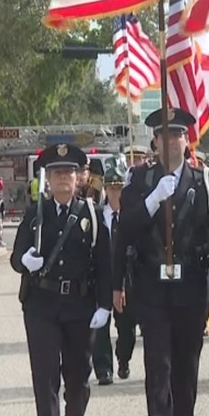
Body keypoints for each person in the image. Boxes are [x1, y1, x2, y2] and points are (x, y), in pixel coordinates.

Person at [120, 107, 209, 416]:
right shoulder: (139, 182)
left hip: (191, 284)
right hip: (152, 286)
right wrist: (153, 199)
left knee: (186, 363)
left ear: (187, 141)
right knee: (158, 364)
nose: (171, 141)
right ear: (153, 141)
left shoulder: (204, 182)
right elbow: (125, 229)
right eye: (163, 135)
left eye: (178, 135)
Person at [10, 143, 112, 416]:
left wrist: (105, 305)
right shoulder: (34, 213)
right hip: (41, 304)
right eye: (57, 174)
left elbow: (105, 263)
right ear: (48, 180)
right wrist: (25, 260)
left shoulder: (92, 215)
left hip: (80, 306)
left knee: (78, 379)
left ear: (79, 178)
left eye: (69, 172)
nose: (64, 179)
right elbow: (16, 257)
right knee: (45, 378)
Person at [93, 158, 137, 384]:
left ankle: (123, 359)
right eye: (112, 188)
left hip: (125, 279)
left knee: (126, 327)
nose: (116, 193)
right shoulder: (96, 215)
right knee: (100, 326)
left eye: (120, 188)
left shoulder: (132, 216)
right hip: (101, 276)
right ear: (106, 189)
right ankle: (103, 369)